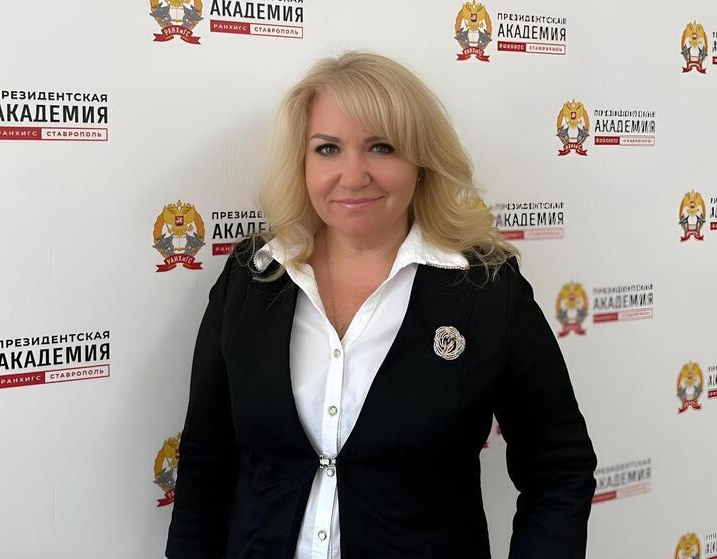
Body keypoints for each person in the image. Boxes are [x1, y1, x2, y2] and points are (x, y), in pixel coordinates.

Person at [165, 50, 597, 559]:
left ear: (421, 162)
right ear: (302, 162)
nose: (353, 176)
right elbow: (206, 457)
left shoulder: (486, 290)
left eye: (381, 147)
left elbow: (558, 468)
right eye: (327, 149)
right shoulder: (251, 276)